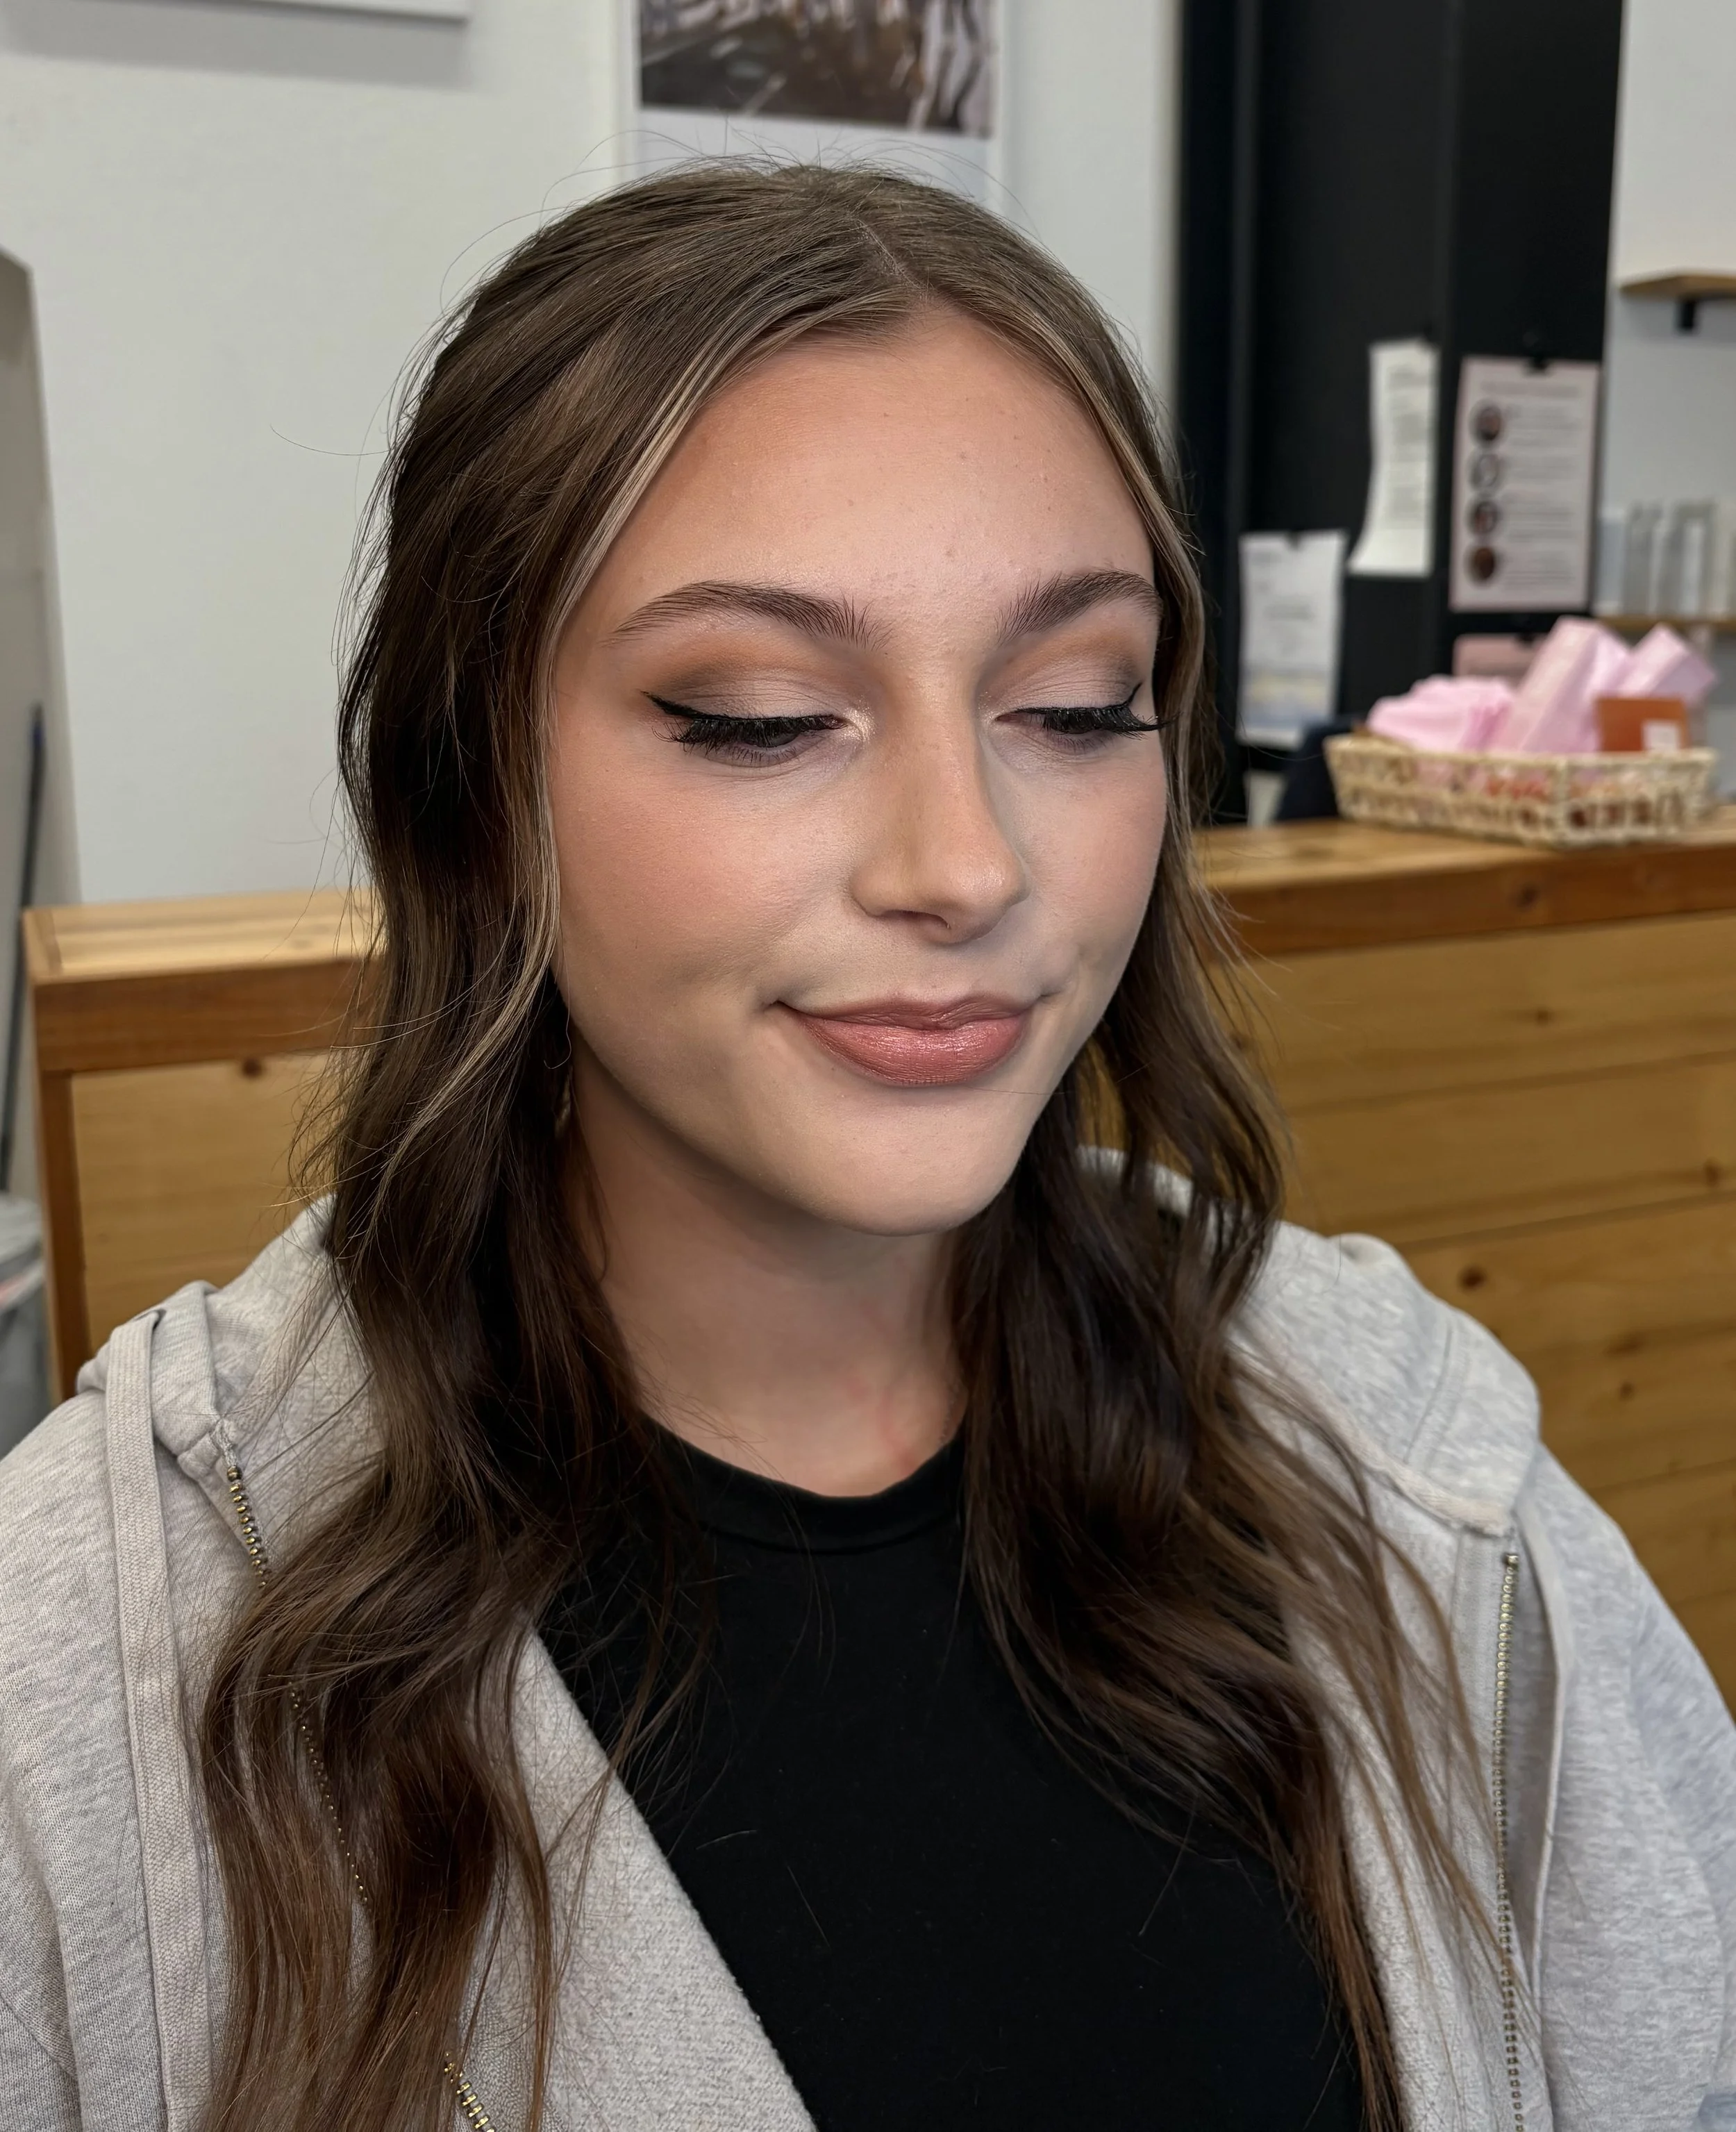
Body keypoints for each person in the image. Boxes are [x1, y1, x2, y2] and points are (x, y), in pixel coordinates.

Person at [0, 165, 1730, 2132]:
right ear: (474, 782)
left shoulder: (1418, 1475)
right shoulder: (95, 1660)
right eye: (759, 718)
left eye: (1074, 704)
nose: (966, 864)